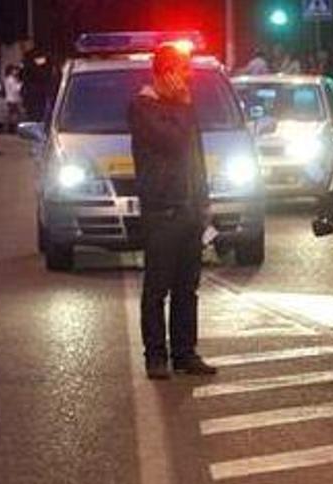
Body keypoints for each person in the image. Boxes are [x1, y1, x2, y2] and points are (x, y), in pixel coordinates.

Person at [127, 43, 216, 379]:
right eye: (181, 71)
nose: (186, 80)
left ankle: (185, 353)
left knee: (186, 288)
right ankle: (156, 357)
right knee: (157, 289)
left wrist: (204, 200)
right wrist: (183, 106)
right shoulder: (143, 107)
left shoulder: (183, 107)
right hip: (162, 211)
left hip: (189, 208)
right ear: (164, 73)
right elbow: (174, 142)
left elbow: (195, 156)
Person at [19, 41, 54, 121]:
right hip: (34, 91)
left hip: (36, 90)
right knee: (36, 111)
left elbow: (44, 73)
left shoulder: (30, 58)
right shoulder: (28, 59)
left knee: (36, 111)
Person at [2, 64, 23, 131]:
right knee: (14, 114)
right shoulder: (11, 80)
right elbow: (15, 89)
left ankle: (10, 127)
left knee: (11, 114)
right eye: (14, 70)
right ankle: (12, 128)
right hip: (13, 99)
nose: (16, 71)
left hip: (10, 98)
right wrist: (20, 84)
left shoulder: (7, 79)